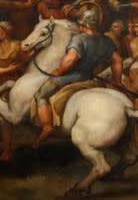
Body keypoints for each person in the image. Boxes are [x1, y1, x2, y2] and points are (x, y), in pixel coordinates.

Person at [33, 9, 123, 148]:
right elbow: (117, 60)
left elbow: (70, 60)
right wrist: (117, 80)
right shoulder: (106, 41)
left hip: (73, 77)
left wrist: (59, 70)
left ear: (83, 24)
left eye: (80, 23)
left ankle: (47, 126)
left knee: (40, 94)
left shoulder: (79, 39)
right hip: (90, 77)